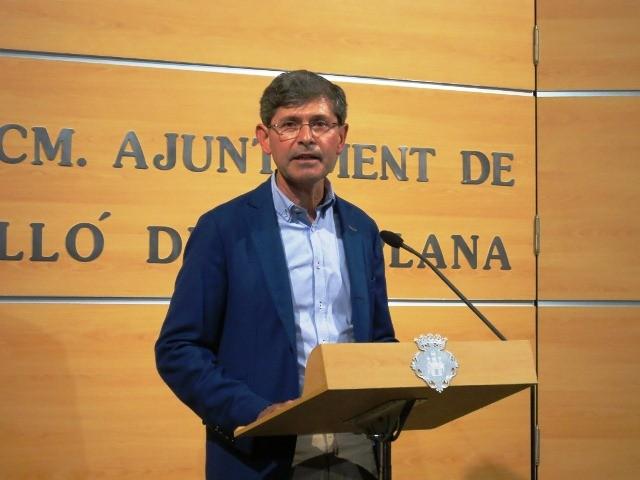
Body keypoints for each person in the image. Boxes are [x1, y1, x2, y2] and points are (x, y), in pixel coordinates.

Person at [155, 70, 396, 479]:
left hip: (356, 446)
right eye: (289, 124)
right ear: (265, 138)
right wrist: (254, 412)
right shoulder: (224, 229)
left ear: (341, 137)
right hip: (264, 449)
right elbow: (179, 349)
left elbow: (379, 339)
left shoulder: (362, 229)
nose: (306, 137)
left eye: (320, 123)